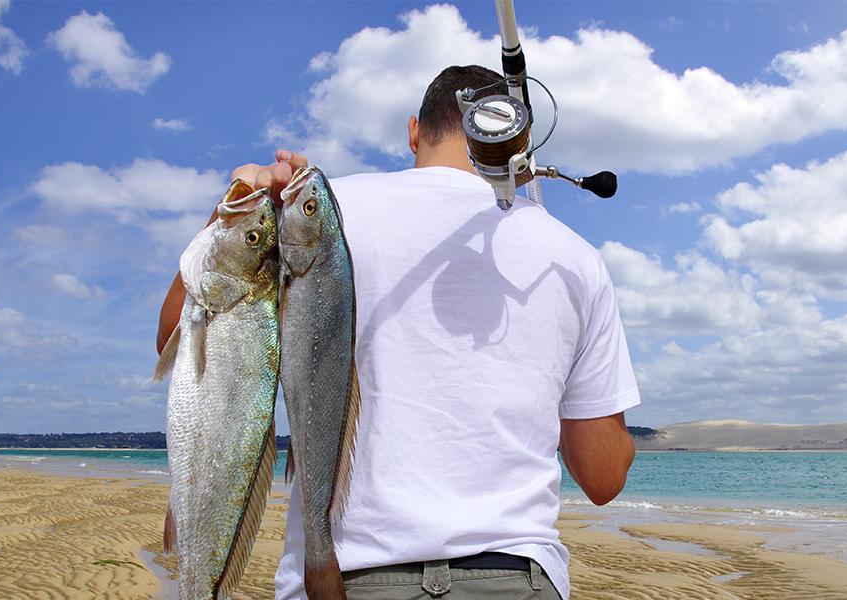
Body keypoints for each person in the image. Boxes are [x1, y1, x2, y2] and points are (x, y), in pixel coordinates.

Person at [156, 65, 640, 600]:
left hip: (340, 577)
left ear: (414, 131)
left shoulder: (315, 211)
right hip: (515, 577)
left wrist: (233, 210)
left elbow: (180, 335)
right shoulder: (576, 259)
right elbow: (602, 477)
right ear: (517, 145)